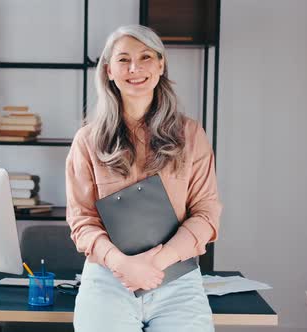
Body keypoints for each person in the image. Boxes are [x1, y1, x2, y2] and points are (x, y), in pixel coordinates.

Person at [65, 25, 222, 331]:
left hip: (177, 279)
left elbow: (207, 214)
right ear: (109, 71)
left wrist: (157, 262)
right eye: (123, 60)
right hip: (109, 278)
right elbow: (82, 221)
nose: (134, 68)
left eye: (145, 57)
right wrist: (123, 265)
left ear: (161, 65)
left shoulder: (191, 135)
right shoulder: (87, 141)